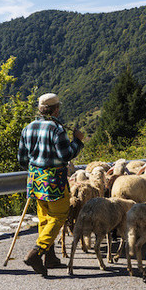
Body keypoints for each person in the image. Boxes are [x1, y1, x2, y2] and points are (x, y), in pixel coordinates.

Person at [17, 92, 84, 276]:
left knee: (45, 218)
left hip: (35, 180)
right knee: (59, 216)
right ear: (55, 110)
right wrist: (77, 141)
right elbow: (66, 155)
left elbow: (22, 159)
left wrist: (36, 165)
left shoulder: (28, 128)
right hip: (54, 180)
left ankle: (51, 258)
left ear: (40, 110)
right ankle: (37, 252)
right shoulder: (56, 129)